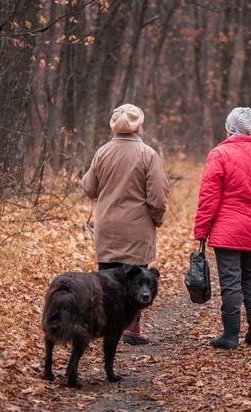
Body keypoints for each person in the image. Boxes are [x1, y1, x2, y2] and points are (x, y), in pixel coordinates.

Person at [193, 107, 251, 349]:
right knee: (249, 276)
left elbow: (208, 196)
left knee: (231, 281)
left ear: (230, 128)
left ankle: (230, 335)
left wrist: (201, 229)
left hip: (227, 231)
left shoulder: (219, 154)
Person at [81, 103, 169, 345]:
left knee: (106, 281)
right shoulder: (148, 154)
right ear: (138, 127)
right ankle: (131, 330)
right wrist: (157, 218)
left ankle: (106, 330)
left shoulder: (102, 152)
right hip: (137, 227)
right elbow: (158, 197)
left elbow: (88, 189)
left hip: (107, 227)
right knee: (136, 279)